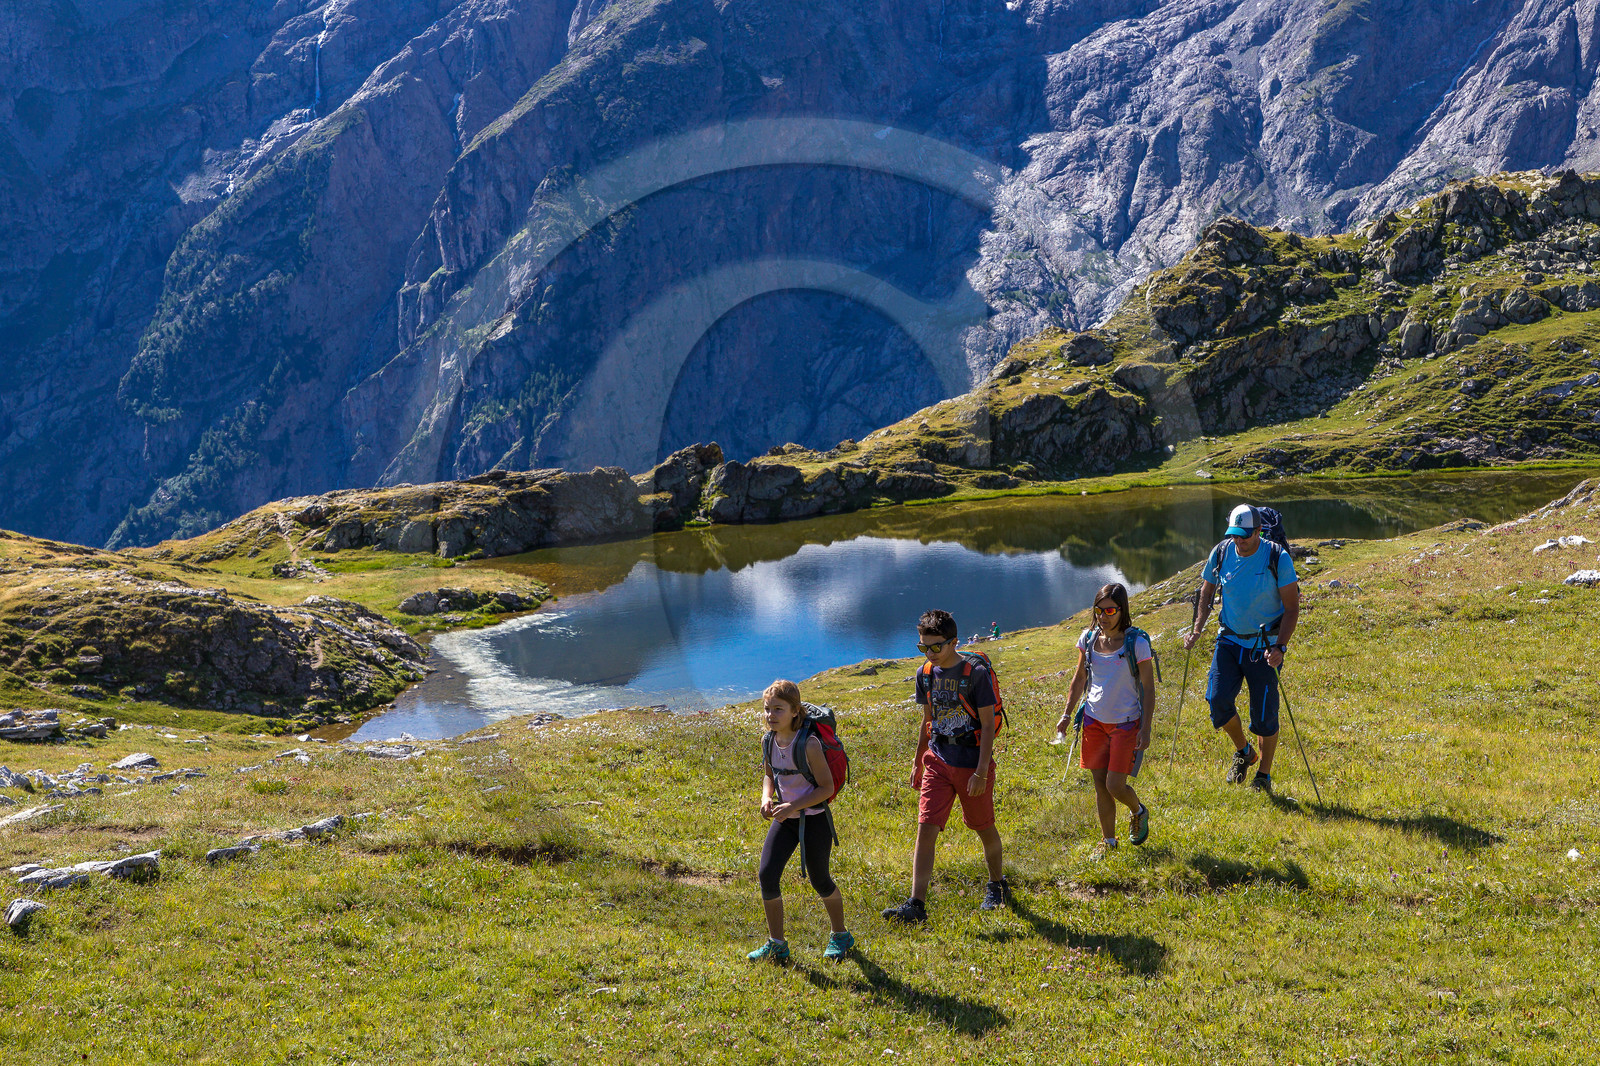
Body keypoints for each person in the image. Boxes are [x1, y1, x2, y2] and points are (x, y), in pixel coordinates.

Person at [883, 610, 1007, 922]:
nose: (930, 653)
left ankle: (997, 884)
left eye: (936, 646)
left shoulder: (974, 673)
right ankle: (916, 905)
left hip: (970, 763)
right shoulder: (925, 673)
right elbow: (928, 720)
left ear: (953, 642)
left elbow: (989, 727)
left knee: (983, 827)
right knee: (926, 828)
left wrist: (980, 771)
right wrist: (917, 762)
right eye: (923, 647)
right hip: (937, 760)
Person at [1183, 503, 1300, 791]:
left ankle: (1264, 774)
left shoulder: (1277, 557)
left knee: (1264, 716)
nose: (1239, 540)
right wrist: (1197, 628)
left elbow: (1292, 607)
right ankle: (1245, 751)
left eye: (1245, 535)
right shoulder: (1221, 552)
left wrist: (1280, 647)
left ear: (1259, 532)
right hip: (1229, 639)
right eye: (1234, 534)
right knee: (1217, 701)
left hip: (1265, 646)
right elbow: (1207, 589)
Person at [749, 680, 854, 962]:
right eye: (767, 709)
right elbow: (769, 774)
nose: (770, 715)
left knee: (820, 879)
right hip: (785, 819)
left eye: (778, 709)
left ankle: (841, 935)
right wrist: (766, 798)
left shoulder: (809, 743)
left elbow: (826, 788)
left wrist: (792, 805)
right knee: (767, 875)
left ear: (795, 711)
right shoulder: (768, 740)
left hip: (814, 819)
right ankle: (777, 944)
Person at [1057, 582, 1155, 858]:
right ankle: (1108, 842)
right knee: (1100, 783)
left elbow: (1148, 688)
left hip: (1126, 722)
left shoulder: (1137, 643)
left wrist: (1145, 728)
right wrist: (1067, 714)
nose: (1103, 615)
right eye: (1099, 610)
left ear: (1122, 610)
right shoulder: (1088, 639)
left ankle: (1138, 810)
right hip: (1093, 721)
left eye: (1110, 610)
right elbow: (1079, 679)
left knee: (1115, 785)